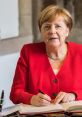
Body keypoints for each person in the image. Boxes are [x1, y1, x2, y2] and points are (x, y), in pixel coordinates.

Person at [10, 5, 82, 107]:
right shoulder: (28, 52)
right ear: (41, 31)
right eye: (47, 26)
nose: (52, 31)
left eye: (58, 26)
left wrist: (74, 95)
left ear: (67, 31)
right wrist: (31, 99)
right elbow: (15, 93)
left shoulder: (80, 52)